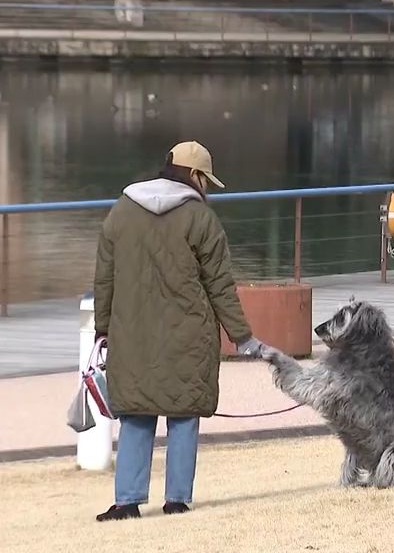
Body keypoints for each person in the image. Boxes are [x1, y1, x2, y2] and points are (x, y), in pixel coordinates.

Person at [92, 140, 267, 522]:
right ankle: (177, 500)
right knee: (184, 413)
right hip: (189, 332)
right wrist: (242, 336)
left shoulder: (121, 212)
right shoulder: (201, 220)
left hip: (131, 333)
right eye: (205, 180)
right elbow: (220, 285)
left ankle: (127, 501)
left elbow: (104, 279)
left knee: (136, 413)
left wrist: (102, 330)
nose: (207, 189)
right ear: (194, 176)